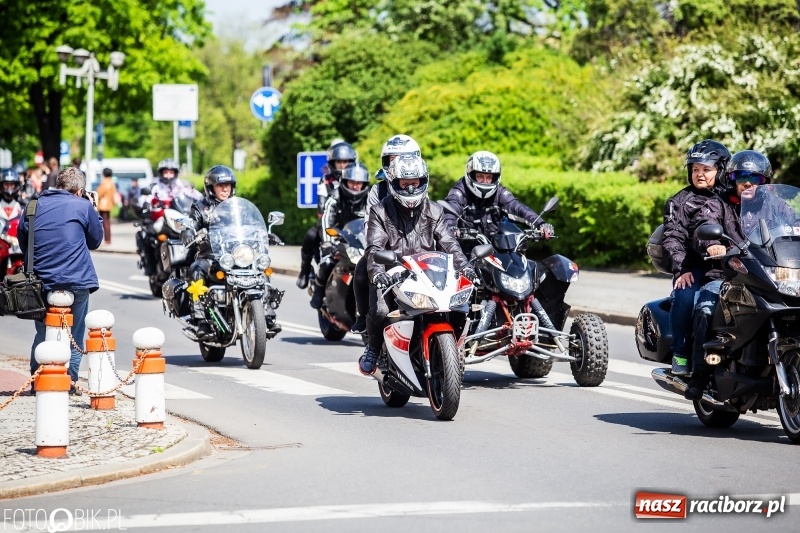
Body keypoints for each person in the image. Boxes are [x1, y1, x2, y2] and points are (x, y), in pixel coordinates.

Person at [359, 154, 475, 375]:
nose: (411, 189)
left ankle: (453, 350)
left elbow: (449, 243)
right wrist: (378, 273)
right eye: (405, 184)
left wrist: (465, 266)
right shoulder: (380, 211)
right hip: (394, 272)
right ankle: (373, 348)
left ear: (423, 181)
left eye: (415, 183)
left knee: (460, 305)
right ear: (393, 183)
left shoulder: (435, 210)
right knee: (381, 310)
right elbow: (374, 247)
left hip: (429, 271)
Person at [685, 149, 772, 400]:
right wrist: (712, 244)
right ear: (731, 179)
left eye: (755, 178)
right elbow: (704, 225)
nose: (748, 183)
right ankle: (700, 374)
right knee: (704, 309)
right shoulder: (718, 203)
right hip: (726, 275)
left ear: (764, 181)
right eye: (742, 177)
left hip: (767, 274)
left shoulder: (774, 205)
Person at [18, 167, 104, 393]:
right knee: (74, 334)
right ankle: (70, 381)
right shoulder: (83, 206)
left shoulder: (33, 205)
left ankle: (38, 381)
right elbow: (95, 241)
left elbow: (23, 242)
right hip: (77, 280)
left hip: (41, 282)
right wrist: (94, 209)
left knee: (42, 332)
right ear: (79, 191)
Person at [662, 139, 730, 376]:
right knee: (685, 294)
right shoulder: (679, 201)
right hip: (694, 265)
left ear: (720, 170)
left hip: (732, 264)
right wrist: (681, 269)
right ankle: (680, 352)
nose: (700, 174)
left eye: (706, 169)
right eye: (695, 169)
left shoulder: (731, 197)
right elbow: (672, 237)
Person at [351, 134, 422, 333]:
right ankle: (363, 316)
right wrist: (379, 247)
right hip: (386, 250)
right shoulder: (378, 190)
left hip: (416, 252)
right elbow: (370, 224)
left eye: (404, 157)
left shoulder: (420, 185)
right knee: (362, 267)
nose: (398, 163)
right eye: (392, 159)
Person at [442, 151, 554, 251]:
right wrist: (451, 227)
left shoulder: (499, 192)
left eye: (489, 177)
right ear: (471, 174)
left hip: (495, 251)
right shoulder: (460, 191)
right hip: (465, 252)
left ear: (495, 178)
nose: (485, 181)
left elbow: (517, 207)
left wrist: (541, 224)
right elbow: (451, 209)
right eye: (480, 176)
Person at [310, 161, 370, 309]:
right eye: (352, 182)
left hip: (362, 239)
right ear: (345, 181)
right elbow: (326, 219)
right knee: (327, 261)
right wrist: (327, 242)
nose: (355, 186)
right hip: (338, 237)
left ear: (364, 184)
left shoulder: (371, 198)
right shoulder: (335, 196)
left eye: (359, 183)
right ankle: (319, 291)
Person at [296, 142, 357, 289]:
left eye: (346, 162)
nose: (342, 165)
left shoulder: (356, 180)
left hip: (353, 226)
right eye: (339, 162)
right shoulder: (325, 181)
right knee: (311, 235)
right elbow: (322, 210)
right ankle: (305, 270)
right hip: (331, 224)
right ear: (332, 163)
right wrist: (329, 236)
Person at [95, 167, 117, 244]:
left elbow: (99, 193)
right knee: (107, 222)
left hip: (103, 204)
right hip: (109, 204)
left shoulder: (105, 182)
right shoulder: (112, 182)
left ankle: (107, 239)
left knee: (104, 223)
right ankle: (108, 239)